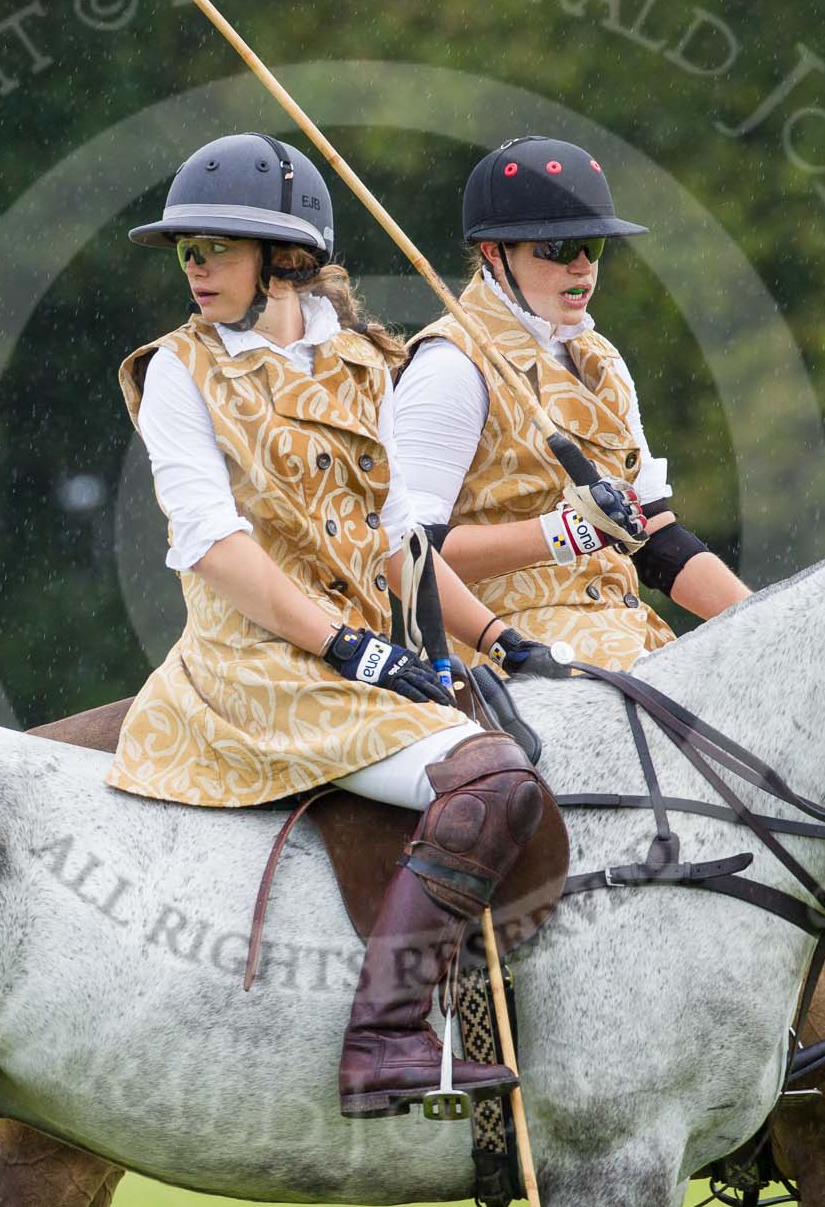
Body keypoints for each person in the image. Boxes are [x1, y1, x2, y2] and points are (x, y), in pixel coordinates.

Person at [113, 133, 560, 1118]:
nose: (192, 271)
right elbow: (213, 546)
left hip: (378, 660)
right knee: (488, 778)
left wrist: (496, 639)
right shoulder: (177, 372)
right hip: (258, 665)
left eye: (213, 250)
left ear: (285, 259)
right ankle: (384, 1041)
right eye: (185, 253)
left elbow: (401, 539)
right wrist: (345, 644)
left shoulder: (366, 362)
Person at [394, 135, 752, 671]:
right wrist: (558, 535)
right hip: (503, 656)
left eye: (594, 247)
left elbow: (656, 539)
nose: (582, 267)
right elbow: (405, 551)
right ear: (495, 253)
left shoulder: (601, 361)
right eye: (557, 249)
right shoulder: (450, 366)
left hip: (625, 634)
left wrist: (763, 621)